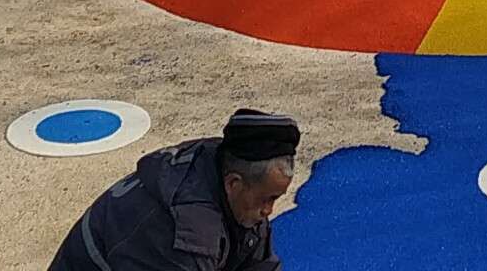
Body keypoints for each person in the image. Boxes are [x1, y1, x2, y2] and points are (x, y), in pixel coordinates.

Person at [47, 109, 299, 271]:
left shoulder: (229, 171)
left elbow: (258, 264)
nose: (268, 210)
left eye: (275, 199)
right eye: (267, 199)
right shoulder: (190, 233)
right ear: (234, 184)